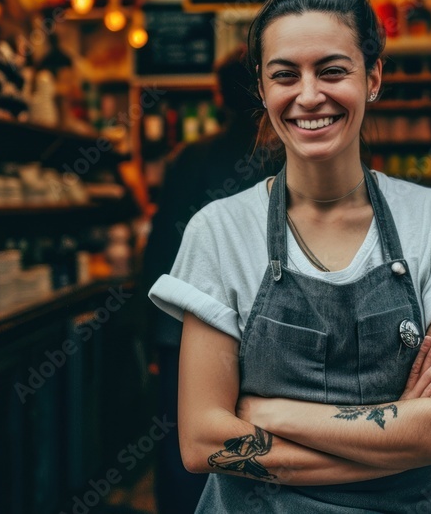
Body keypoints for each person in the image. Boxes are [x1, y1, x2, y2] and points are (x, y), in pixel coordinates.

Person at [148, 0, 431, 512]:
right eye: (285, 74)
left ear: (373, 77)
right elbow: (201, 442)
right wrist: (400, 438)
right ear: (262, 88)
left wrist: (270, 413)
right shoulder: (219, 231)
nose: (309, 95)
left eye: (333, 70)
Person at [142, 46, 278, 514]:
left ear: (220, 97)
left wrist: (155, 334)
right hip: (264, 331)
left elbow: (158, 249)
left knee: (183, 442)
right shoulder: (284, 158)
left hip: (181, 328)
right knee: (251, 437)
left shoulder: (189, 158)